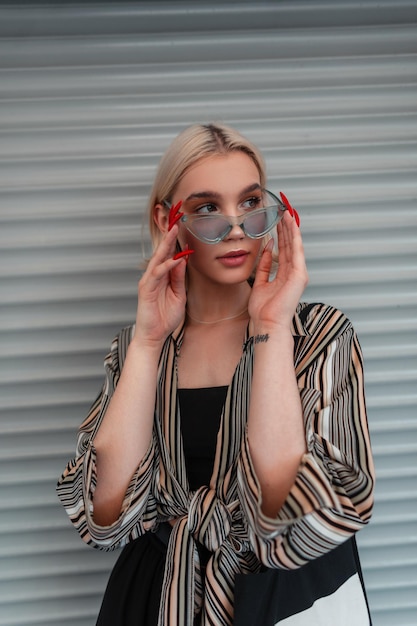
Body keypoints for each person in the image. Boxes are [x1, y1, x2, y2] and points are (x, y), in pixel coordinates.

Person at [57, 122, 375, 626]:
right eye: (207, 208)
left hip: (294, 596)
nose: (234, 226)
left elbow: (296, 515)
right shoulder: (137, 348)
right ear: (168, 219)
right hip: (160, 596)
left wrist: (269, 326)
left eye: (250, 203)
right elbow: (104, 518)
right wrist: (147, 341)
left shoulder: (319, 333)